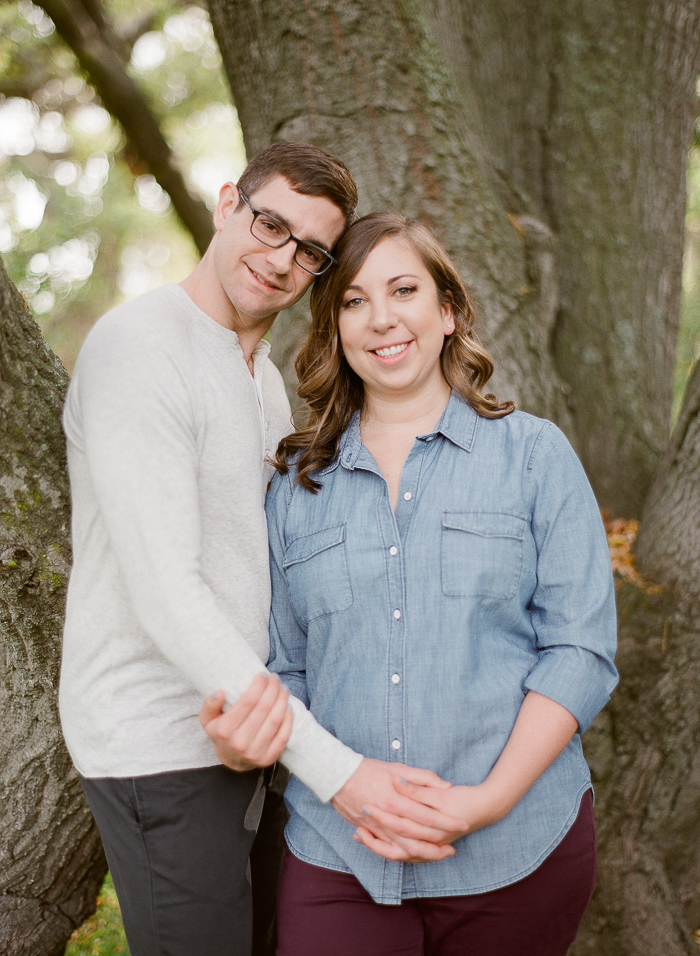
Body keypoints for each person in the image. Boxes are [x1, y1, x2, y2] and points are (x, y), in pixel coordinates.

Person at [59, 145, 448, 956]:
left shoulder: (263, 380)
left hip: (257, 737)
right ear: (229, 202)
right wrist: (340, 773)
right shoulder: (142, 347)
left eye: (309, 252)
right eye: (270, 225)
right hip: (160, 743)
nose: (280, 261)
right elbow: (166, 588)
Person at [224, 212, 618, 955]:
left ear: (447, 311)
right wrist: (345, 785)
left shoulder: (533, 456)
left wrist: (483, 803)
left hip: (518, 848)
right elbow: (285, 671)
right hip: (338, 850)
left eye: (404, 289)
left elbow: (579, 649)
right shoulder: (293, 488)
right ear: (334, 327)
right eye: (353, 300)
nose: (382, 319)